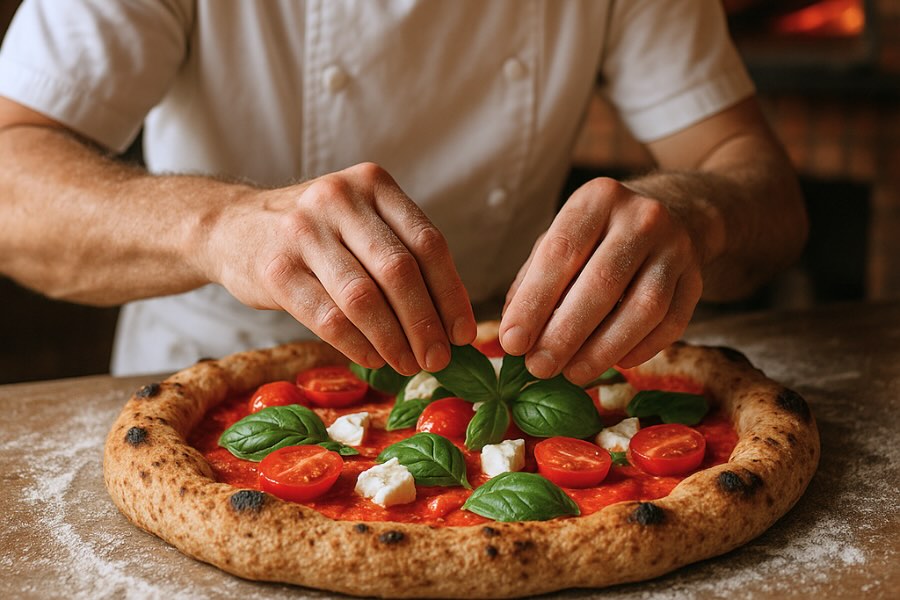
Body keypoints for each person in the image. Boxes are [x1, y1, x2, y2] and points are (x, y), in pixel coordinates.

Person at [0, 1, 806, 384]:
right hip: (217, 371)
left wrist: (696, 217)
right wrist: (218, 227)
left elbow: (759, 183)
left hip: (504, 376)